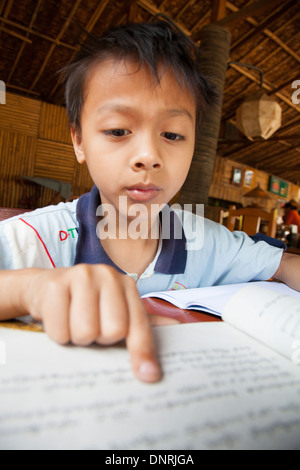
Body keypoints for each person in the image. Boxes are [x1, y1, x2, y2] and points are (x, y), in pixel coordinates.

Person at [0, 21, 299, 383]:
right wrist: (28, 289)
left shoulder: (207, 240)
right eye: (117, 131)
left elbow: (283, 265)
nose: (148, 156)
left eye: (172, 134)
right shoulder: (31, 240)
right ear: (79, 140)